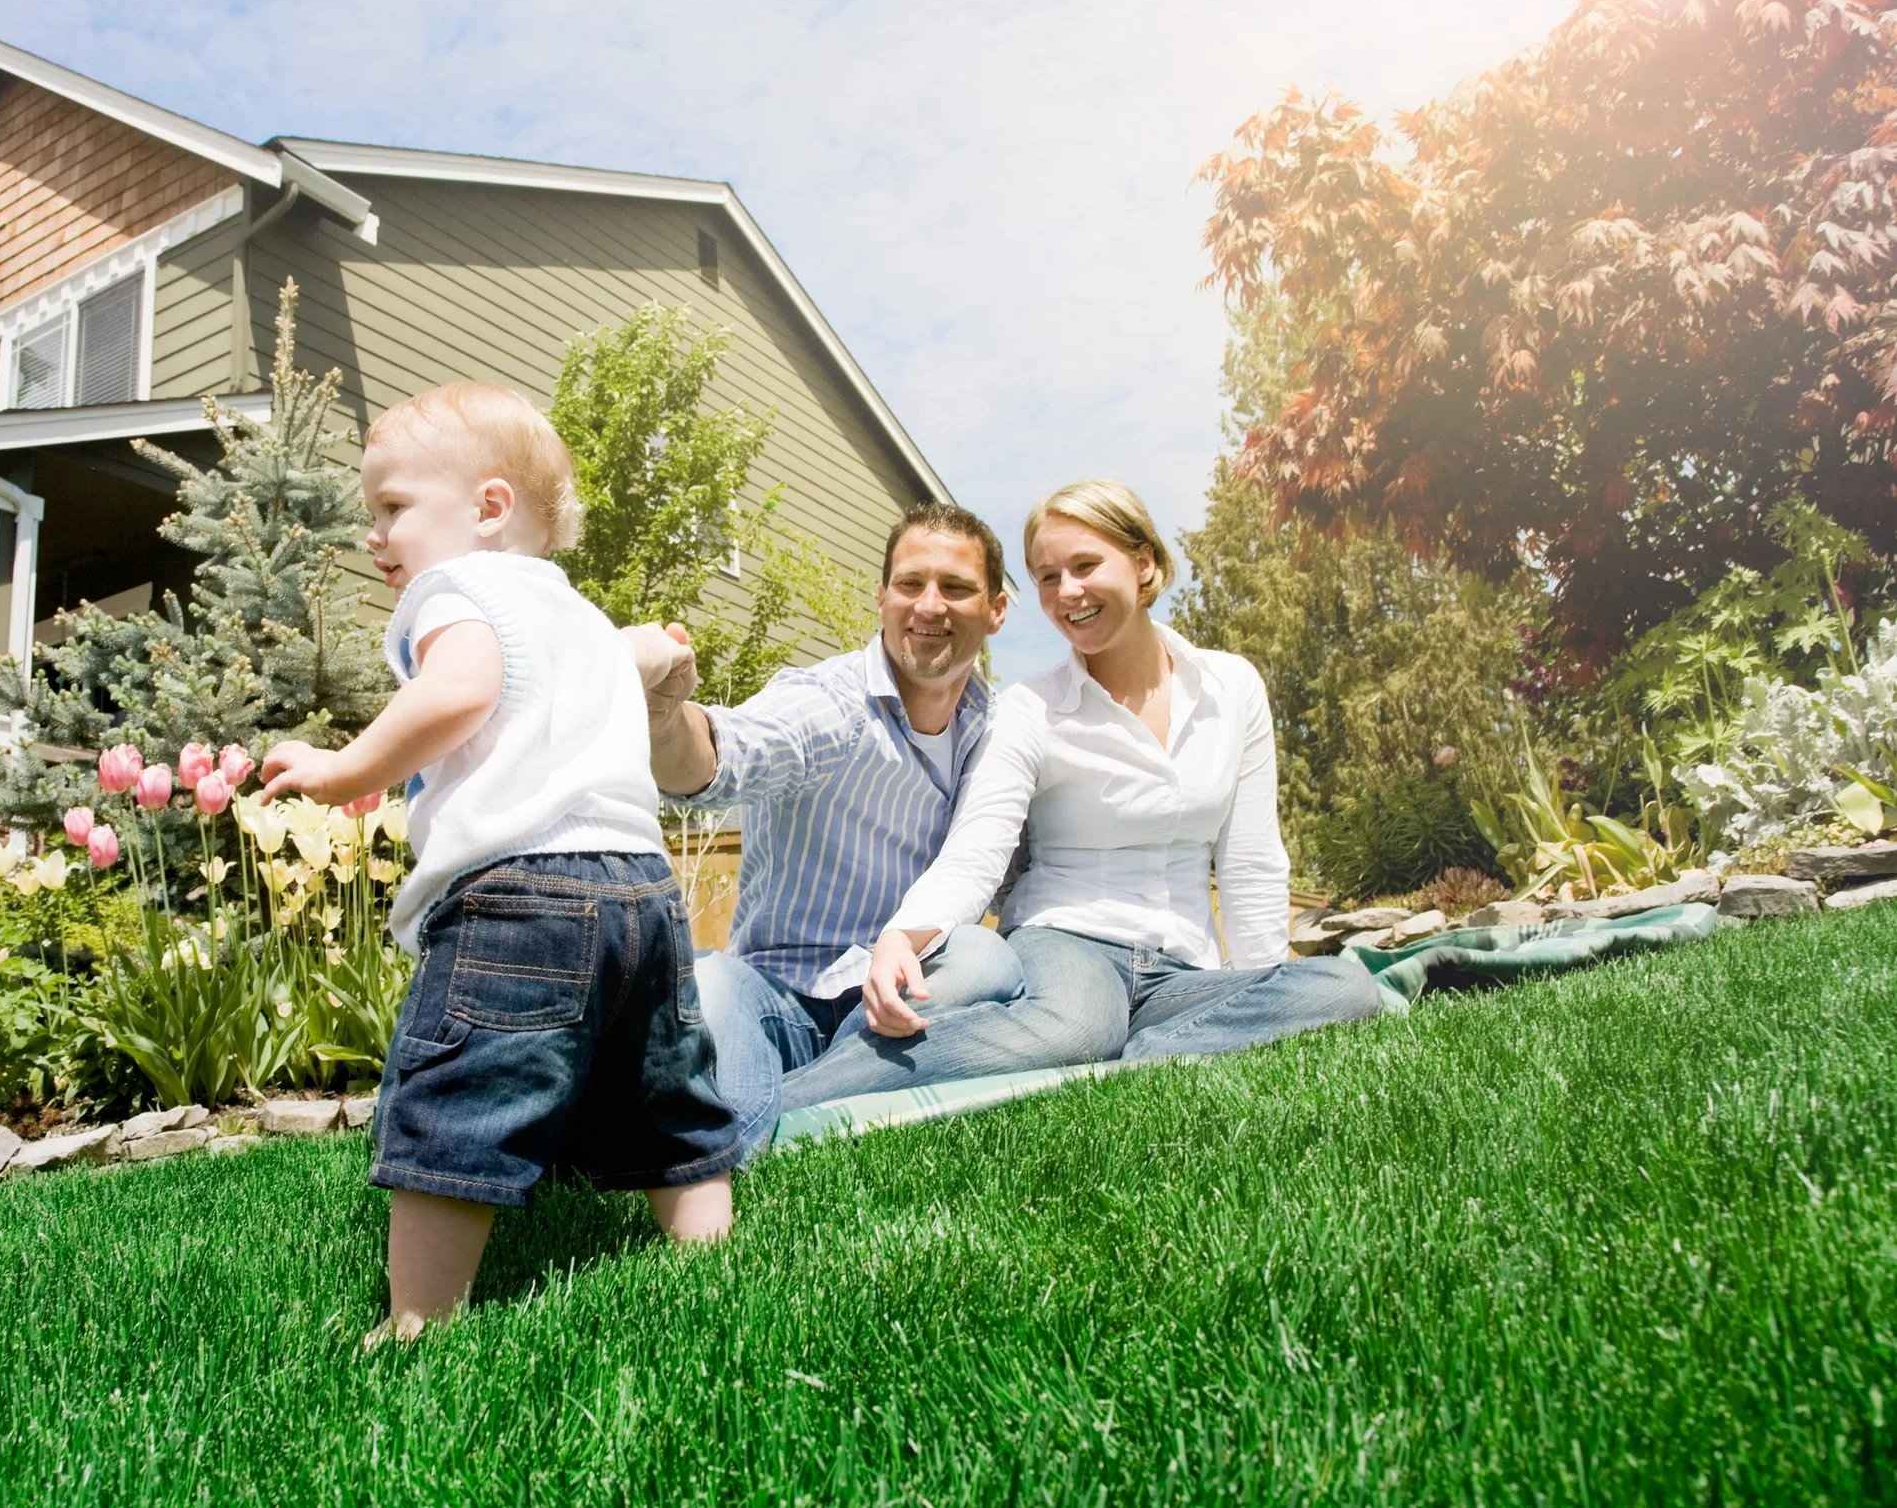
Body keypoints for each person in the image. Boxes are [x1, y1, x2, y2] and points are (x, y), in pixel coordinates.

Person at [259, 381, 741, 1344]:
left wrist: (342, 766)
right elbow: (625, 663)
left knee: (464, 1091)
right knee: (665, 1093)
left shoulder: (455, 589)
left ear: (487, 509)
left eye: (393, 507)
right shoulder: (578, 614)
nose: (375, 535)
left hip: (521, 892)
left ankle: (419, 1322)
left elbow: (462, 689)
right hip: (642, 891)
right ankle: (710, 1270)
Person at [783, 479, 1383, 1108]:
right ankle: (781, 1106)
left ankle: (1125, 1065)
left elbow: (1252, 861)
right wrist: (903, 936)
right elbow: (977, 848)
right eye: (1047, 577)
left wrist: (1266, 983)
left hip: (1182, 968)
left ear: (1144, 561)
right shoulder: (1031, 707)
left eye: (1085, 566)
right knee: (1081, 1025)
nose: (1067, 592)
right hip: (1066, 945)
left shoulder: (1231, 688)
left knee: (1344, 988)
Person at [625, 504, 1121, 1146]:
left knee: (983, 958)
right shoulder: (831, 702)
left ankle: (757, 1130)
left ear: (996, 609)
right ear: (882, 596)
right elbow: (728, 751)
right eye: (911, 584)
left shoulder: (999, 734)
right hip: (778, 997)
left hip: (905, 998)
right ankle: (762, 1135)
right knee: (710, 979)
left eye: (956, 588)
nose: (930, 605)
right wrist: (665, 720)